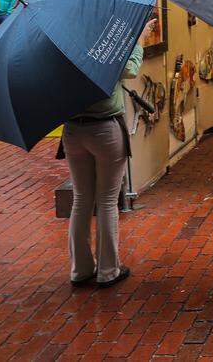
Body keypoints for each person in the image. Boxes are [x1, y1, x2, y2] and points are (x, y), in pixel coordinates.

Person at [60, 18, 154, 288]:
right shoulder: (102, 48)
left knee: (81, 199)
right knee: (107, 200)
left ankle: (80, 269)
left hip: (73, 131)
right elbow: (131, 69)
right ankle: (108, 270)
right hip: (105, 129)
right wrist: (138, 42)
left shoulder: (62, 48)